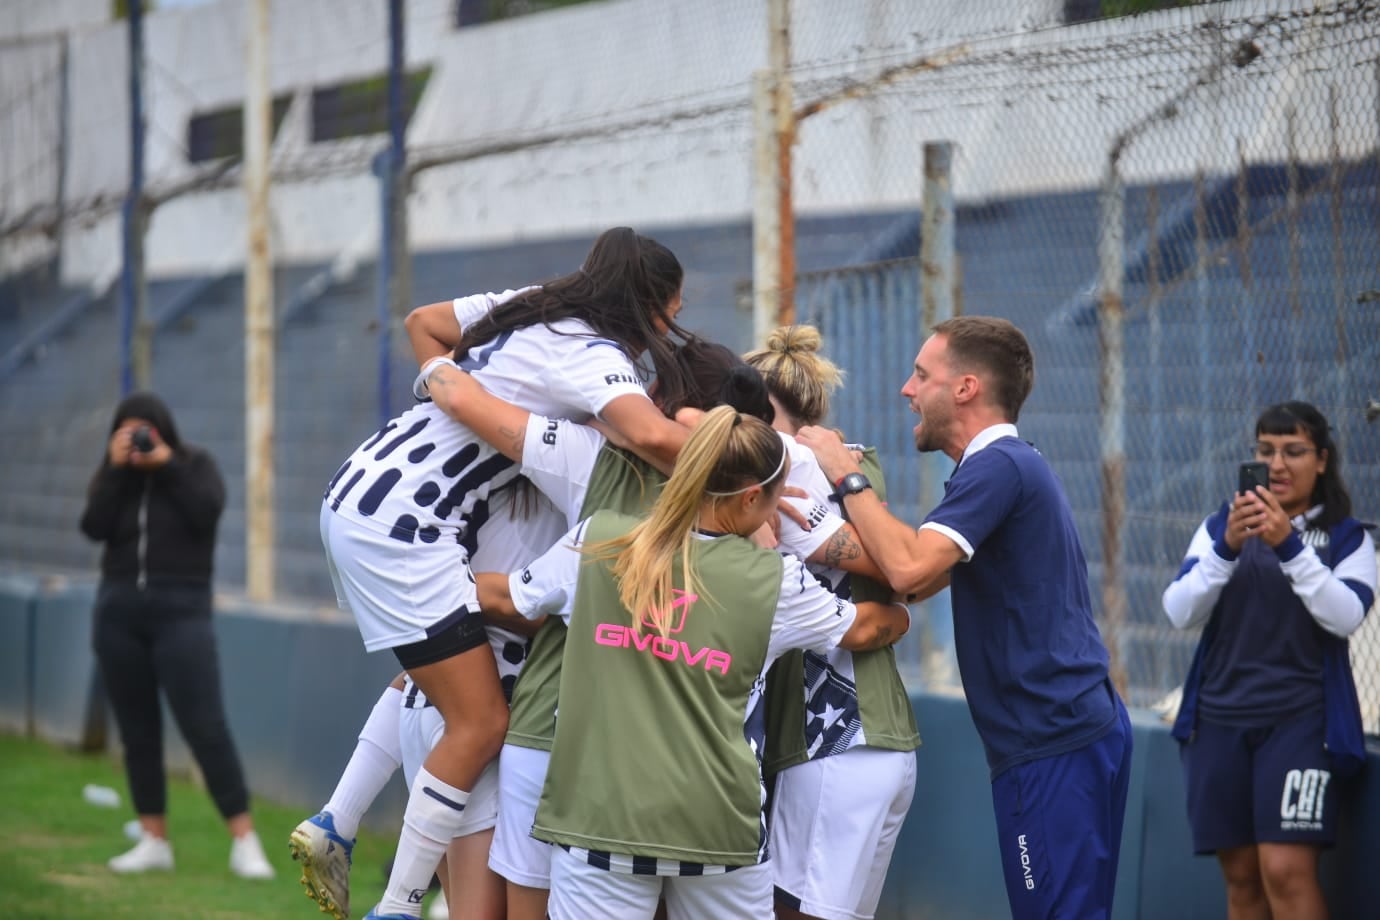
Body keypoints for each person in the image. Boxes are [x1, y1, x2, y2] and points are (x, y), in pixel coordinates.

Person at [428, 337, 888, 920]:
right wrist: (896, 606)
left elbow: (508, 595)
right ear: (751, 498)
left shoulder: (600, 539)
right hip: (718, 832)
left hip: (599, 826)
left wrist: (432, 585)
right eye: (773, 499)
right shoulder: (776, 581)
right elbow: (866, 630)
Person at [319, 227, 694, 920]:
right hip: (410, 521)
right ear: (652, 305)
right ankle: (396, 905)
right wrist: (764, 460)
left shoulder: (533, 303)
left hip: (366, 487)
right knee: (480, 721)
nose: (670, 330)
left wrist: (445, 382)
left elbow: (423, 324)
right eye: (672, 311)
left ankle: (338, 823)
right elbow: (647, 434)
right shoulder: (591, 360)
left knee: (424, 679)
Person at [796, 316, 1133, 919]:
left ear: (966, 388)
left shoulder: (998, 465)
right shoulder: (1001, 468)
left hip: (1051, 740)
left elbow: (909, 571)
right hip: (1060, 736)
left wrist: (841, 474)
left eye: (922, 374)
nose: (907, 388)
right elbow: (916, 577)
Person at [1163, 400, 1376, 920]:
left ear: (1322, 460)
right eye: (1266, 451)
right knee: (1241, 876)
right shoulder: (1221, 525)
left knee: (1285, 871)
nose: (1277, 464)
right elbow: (1178, 610)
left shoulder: (1348, 538)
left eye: (1294, 451)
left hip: (1299, 724)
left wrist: (1289, 546)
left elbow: (1346, 615)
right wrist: (1227, 547)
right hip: (1218, 721)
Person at [746, 325, 920, 920]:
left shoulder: (787, 466)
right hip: (880, 741)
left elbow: (904, 573)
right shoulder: (855, 463)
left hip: (832, 739)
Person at [78, 392, 274, 880]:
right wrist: (118, 468)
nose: (139, 439)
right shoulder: (114, 475)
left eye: (146, 429)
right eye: (128, 431)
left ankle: (245, 840)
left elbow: (207, 511)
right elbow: (94, 526)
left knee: (205, 727)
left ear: (164, 429)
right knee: (137, 731)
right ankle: (153, 838)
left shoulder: (194, 465)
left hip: (182, 613)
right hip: (118, 612)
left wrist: (165, 465)